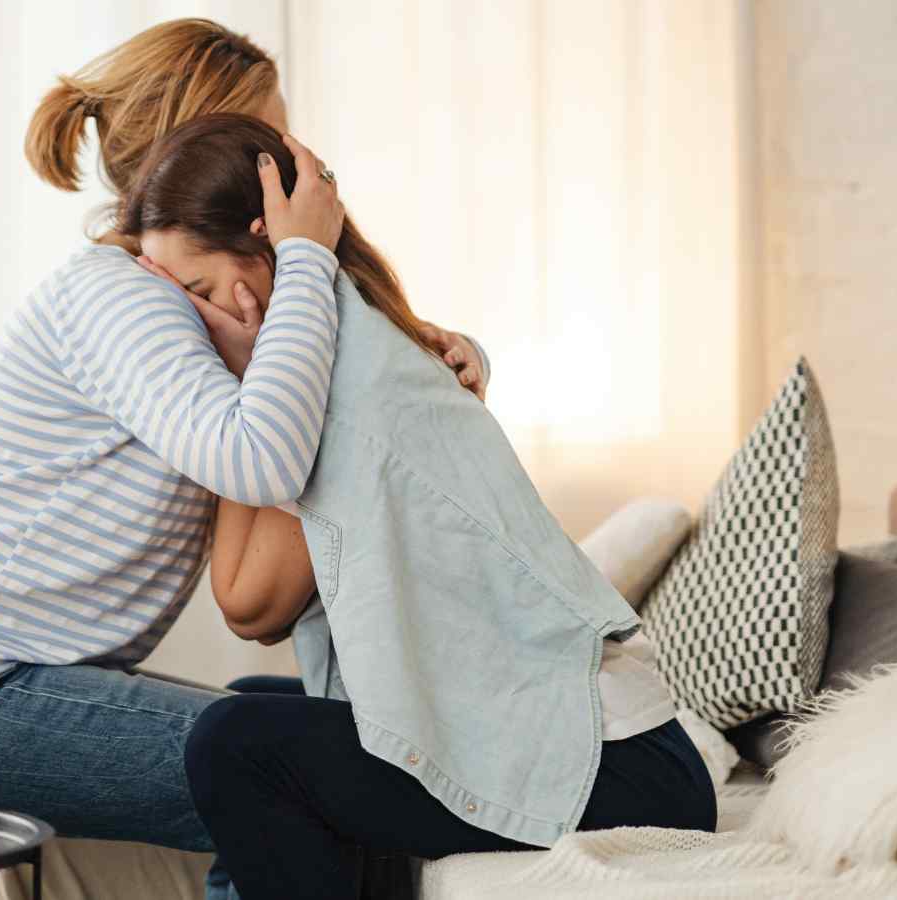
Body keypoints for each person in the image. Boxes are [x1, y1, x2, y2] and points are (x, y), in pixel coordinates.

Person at [0, 18, 489, 858]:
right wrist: (308, 256)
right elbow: (265, 455)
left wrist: (444, 352)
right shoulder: (120, 298)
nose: (295, 157)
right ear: (204, 153)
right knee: (280, 769)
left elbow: (306, 422)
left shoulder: (189, 307)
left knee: (278, 743)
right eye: (272, 140)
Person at [121, 114, 718, 900]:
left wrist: (246, 380)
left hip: (619, 768)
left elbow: (248, 603)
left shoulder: (344, 381)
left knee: (235, 744)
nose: (186, 324)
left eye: (196, 292)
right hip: (590, 746)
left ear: (266, 255)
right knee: (253, 707)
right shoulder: (342, 346)